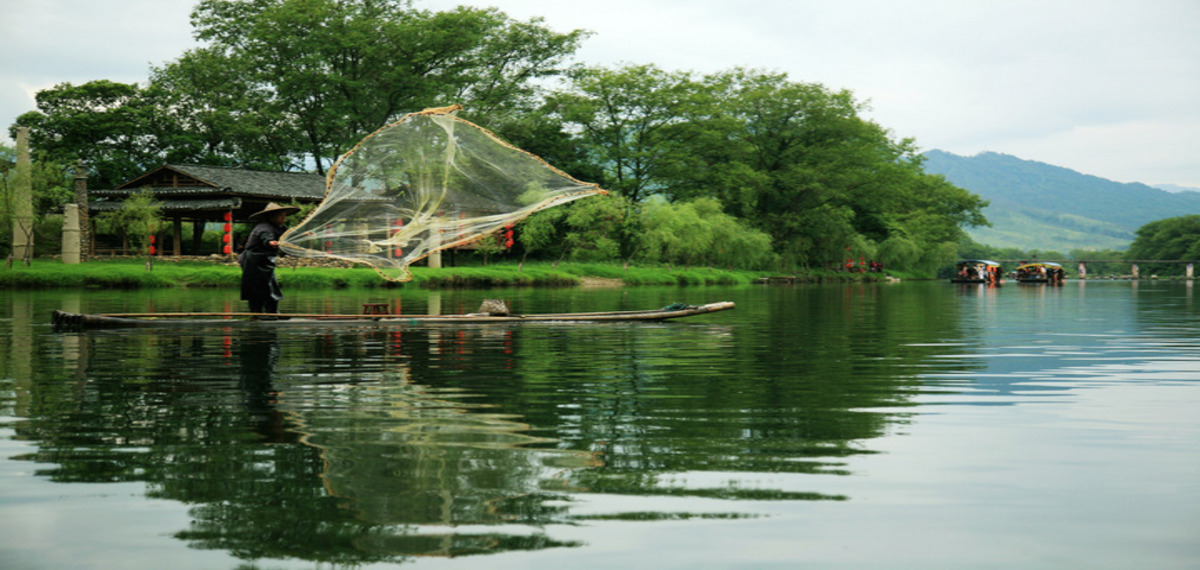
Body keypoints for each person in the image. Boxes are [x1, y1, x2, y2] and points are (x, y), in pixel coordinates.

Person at [240, 203, 299, 316]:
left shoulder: (279, 227)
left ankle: (272, 312)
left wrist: (303, 234)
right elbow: (267, 238)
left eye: (284, 216)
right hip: (253, 261)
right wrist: (270, 243)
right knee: (256, 287)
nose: (283, 218)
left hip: (265, 260)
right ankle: (256, 314)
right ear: (272, 217)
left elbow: (290, 234)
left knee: (271, 285)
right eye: (281, 216)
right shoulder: (264, 228)